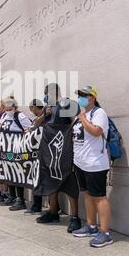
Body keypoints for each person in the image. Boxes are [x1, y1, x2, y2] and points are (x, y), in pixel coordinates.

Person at [36, 83, 81, 234]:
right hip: (49, 151)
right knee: (50, 181)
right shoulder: (46, 107)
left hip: (64, 151)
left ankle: (75, 217)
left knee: (69, 183)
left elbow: (76, 122)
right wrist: (44, 114)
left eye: (46, 92)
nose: (45, 95)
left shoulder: (66, 103)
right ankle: (53, 212)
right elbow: (36, 123)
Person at [72, 86, 113, 248]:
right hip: (81, 163)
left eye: (83, 95)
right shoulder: (82, 116)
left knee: (100, 197)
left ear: (92, 97)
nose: (80, 98)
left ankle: (106, 233)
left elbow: (96, 131)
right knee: (87, 195)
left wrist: (82, 118)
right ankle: (91, 226)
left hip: (95, 163)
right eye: (79, 95)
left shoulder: (99, 113)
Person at [0, 98, 32, 211]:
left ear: (15, 108)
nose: (8, 111)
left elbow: (30, 130)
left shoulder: (20, 116)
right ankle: (11, 196)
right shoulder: (3, 116)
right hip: (6, 150)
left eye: (10, 109)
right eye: (6, 109)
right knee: (8, 174)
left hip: (17, 150)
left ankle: (20, 199)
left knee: (17, 173)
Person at [24, 99, 44, 215]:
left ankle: (37, 207)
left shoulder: (43, 118)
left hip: (40, 154)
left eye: (32, 109)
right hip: (35, 154)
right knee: (35, 180)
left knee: (38, 181)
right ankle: (36, 205)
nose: (31, 111)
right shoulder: (38, 119)